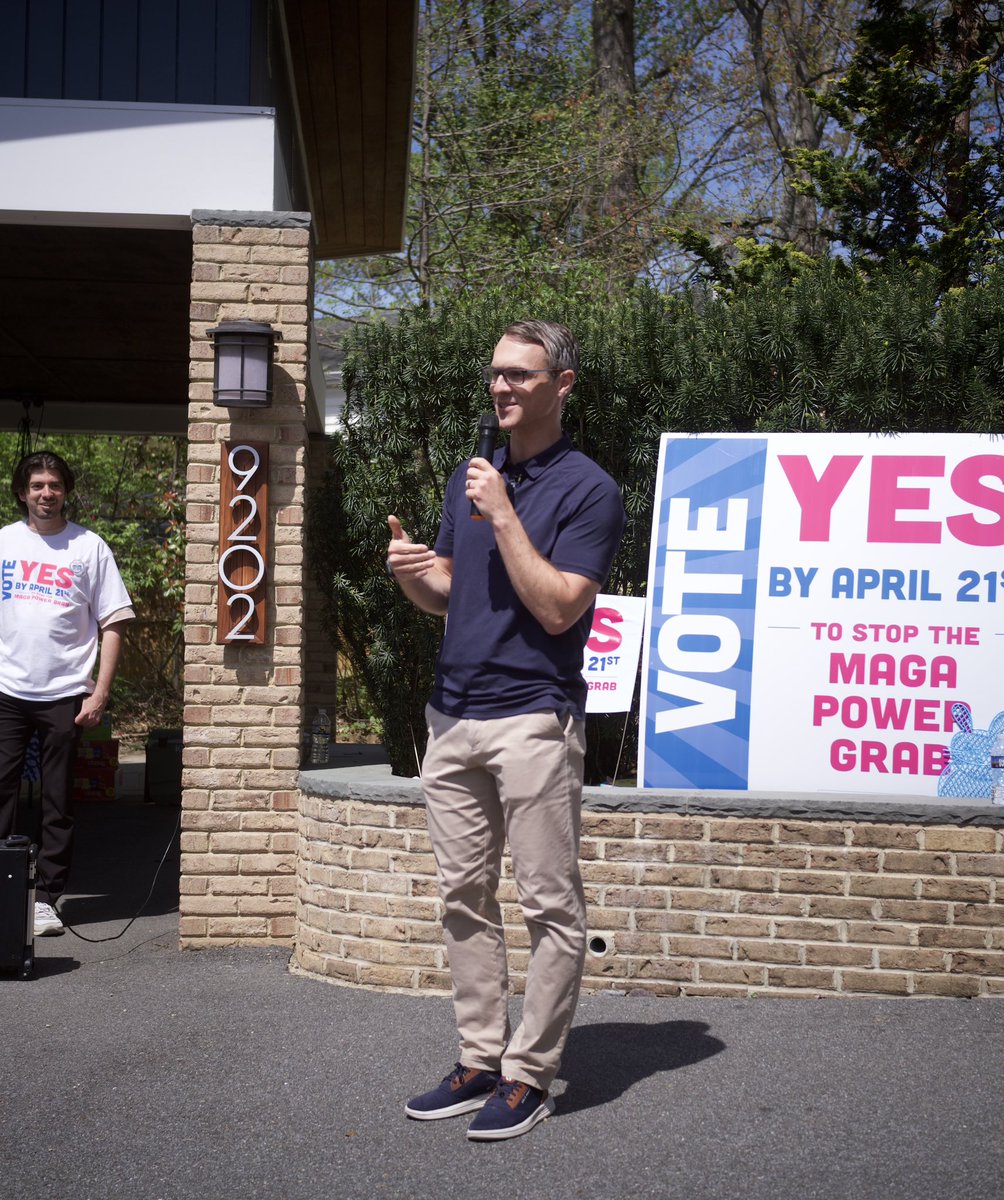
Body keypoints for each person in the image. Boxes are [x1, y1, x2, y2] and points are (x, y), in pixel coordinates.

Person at [386, 320, 625, 1141]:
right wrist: (415, 573)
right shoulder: (474, 474)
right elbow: (451, 592)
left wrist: (505, 515)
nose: (501, 387)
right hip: (452, 716)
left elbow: (559, 606)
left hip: (533, 718)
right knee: (463, 896)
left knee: (550, 905)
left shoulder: (590, 490)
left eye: (520, 374)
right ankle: (479, 1058)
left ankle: (530, 1075)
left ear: (562, 384)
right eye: (495, 374)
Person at [0, 451, 135, 936]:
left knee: (57, 801)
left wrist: (100, 693)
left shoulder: (89, 547)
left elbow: (114, 622)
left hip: (65, 694)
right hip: (6, 690)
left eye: (54, 485)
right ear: (23, 493)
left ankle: (45, 899)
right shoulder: (4, 542)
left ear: (65, 491)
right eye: (37, 485)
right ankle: (2, 893)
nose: (46, 493)